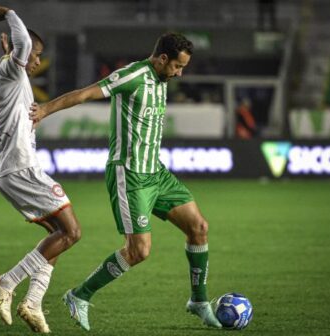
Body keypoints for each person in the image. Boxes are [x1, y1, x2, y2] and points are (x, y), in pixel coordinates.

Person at [31, 33, 222, 331]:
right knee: (138, 252)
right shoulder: (132, 76)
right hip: (130, 176)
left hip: (157, 173)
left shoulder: (161, 80)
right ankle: (79, 295)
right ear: (161, 59)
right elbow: (84, 94)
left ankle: (198, 301)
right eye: (177, 66)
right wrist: (44, 110)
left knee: (199, 228)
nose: (179, 73)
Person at [0, 4, 82, 333]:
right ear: (18, 51)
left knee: (58, 236)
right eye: (35, 55)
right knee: (72, 232)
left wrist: (12, 57)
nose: (37, 61)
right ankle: (6, 283)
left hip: (6, 169)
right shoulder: (12, 69)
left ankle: (33, 302)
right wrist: (8, 12)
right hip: (21, 167)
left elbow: (16, 57)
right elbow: (22, 44)